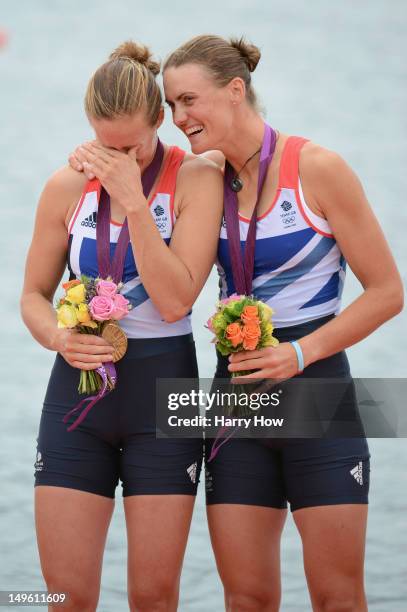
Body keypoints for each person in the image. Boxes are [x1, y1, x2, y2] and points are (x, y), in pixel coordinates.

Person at [160, 36, 403, 612]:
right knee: (245, 598)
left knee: (337, 597)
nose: (179, 118)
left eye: (189, 100)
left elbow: (388, 292)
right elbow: (133, 160)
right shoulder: (199, 177)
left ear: (236, 90)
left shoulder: (316, 167)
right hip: (233, 399)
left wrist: (298, 354)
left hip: (317, 391)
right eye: (171, 105)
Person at [21, 41, 223, 612]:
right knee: (63, 598)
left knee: (153, 598)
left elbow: (176, 300)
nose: (115, 161)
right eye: (104, 146)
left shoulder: (196, 179)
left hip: (165, 397)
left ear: (160, 120)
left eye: (130, 147)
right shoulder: (66, 185)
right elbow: (33, 296)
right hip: (78, 396)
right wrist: (59, 338)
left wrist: (135, 204)